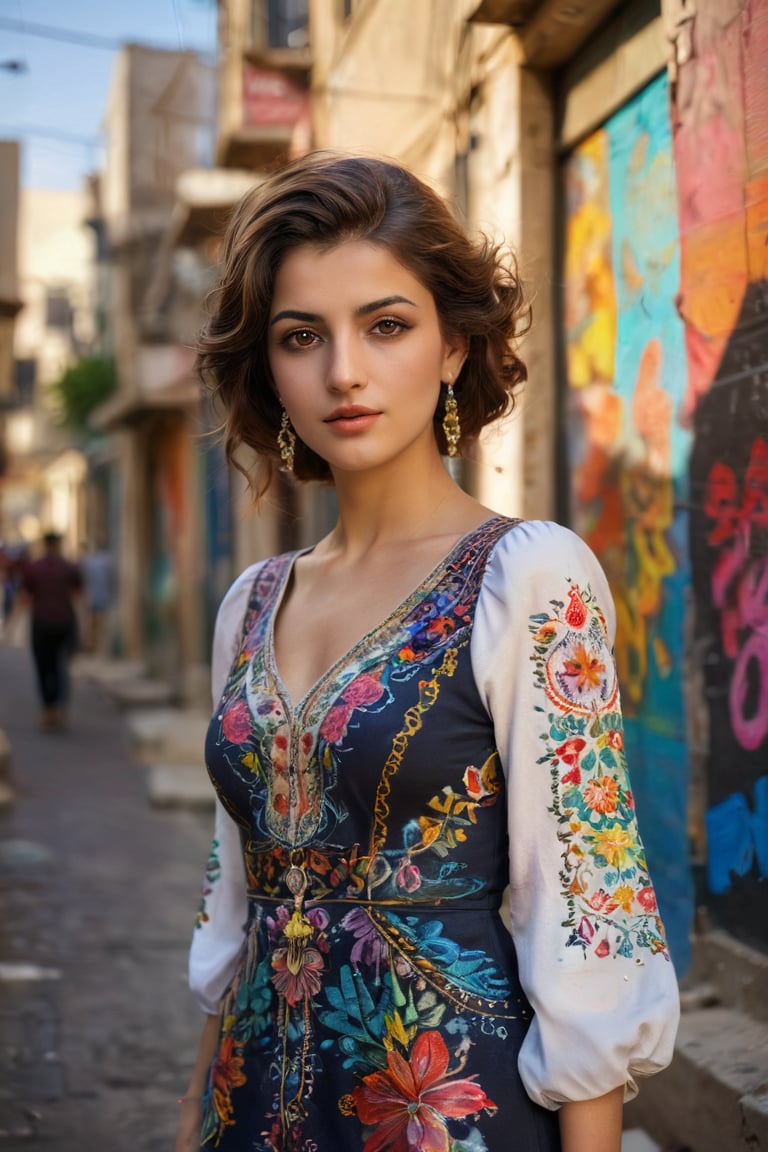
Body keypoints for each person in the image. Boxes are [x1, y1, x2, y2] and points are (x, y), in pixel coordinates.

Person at [174, 154, 679, 1152]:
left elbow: (591, 919)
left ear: (453, 345)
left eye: (386, 325)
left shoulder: (529, 578)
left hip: (449, 1116)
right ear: (269, 369)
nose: (343, 371)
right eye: (301, 336)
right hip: (254, 1108)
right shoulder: (252, 602)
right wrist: (193, 1123)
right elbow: (230, 912)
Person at [21, 531, 82, 730]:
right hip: (64, 622)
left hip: (41, 623)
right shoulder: (68, 567)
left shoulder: (34, 568)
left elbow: (25, 596)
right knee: (61, 666)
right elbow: (79, 594)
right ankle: (60, 707)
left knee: (43, 667)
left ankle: (49, 709)